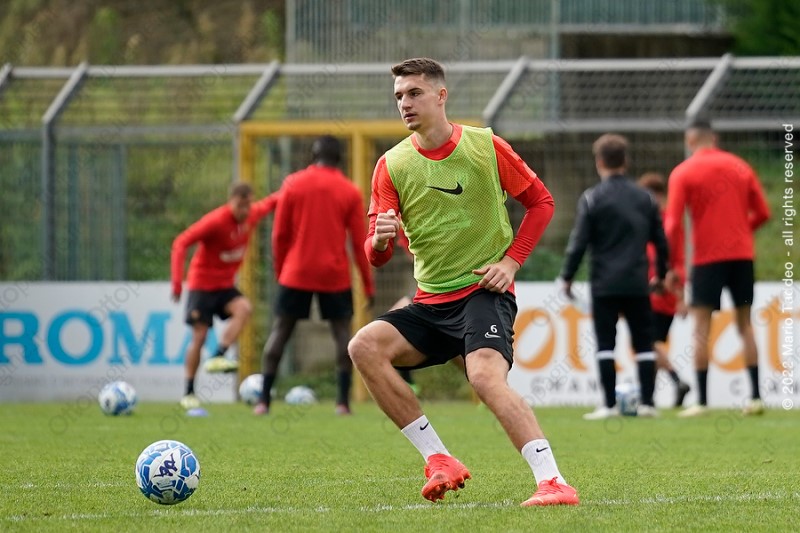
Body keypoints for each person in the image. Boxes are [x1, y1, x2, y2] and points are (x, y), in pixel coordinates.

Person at [348, 57, 578, 507]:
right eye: (399, 96)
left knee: (485, 379)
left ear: (441, 96)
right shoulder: (391, 165)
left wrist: (511, 263)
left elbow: (541, 203)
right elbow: (376, 257)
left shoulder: (484, 146)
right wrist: (379, 240)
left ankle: (553, 482)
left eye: (414, 93)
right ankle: (439, 459)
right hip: (429, 303)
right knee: (363, 347)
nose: (405, 103)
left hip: (482, 293)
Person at [254, 135, 375, 417]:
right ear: (339, 159)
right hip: (334, 274)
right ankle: (342, 403)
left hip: (296, 272)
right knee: (342, 335)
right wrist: (368, 285)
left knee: (281, 331)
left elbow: (279, 235)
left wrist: (281, 271)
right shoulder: (349, 190)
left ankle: (263, 401)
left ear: (313, 155)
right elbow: (360, 242)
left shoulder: (292, 184)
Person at [665, 118, 771, 417]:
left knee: (701, 328)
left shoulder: (683, 172)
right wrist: (742, 232)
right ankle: (756, 397)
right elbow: (763, 212)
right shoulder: (740, 167)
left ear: (690, 141)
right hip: (742, 257)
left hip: (706, 259)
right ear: (714, 139)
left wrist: (672, 264)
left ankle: (701, 401)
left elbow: (673, 224)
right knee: (745, 324)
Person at [560, 134, 669, 420]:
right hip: (637, 282)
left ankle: (608, 405)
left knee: (605, 344)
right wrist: (660, 275)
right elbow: (661, 242)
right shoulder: (645, 198)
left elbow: (579, 242)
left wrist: (567, 276)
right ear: (626, 161)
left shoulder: (592, 198)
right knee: (644, 344)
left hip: (604, 283)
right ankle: (648, 404)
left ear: (599, 162)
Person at [171, 182, 278, 410]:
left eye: (248, 205)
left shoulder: (251, 215)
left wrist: (299, 183)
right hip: (202, 284)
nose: (245, 211)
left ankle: (218, 354)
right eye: (240, 206)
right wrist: (177, 283)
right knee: (199, 336)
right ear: (231, 202)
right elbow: (181, 243)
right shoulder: (215, 221)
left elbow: (272, 202)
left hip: (224, 286)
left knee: (244, 308)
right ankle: (188, 392)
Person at [637, 172, 692, 408]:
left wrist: (679, 293)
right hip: (651, 289)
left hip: (660, 290)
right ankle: (648, 398)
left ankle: (676, 381)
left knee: (648, 343)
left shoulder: (666, 222)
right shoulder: (648, 220)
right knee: (652, 343)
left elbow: (678, 261)